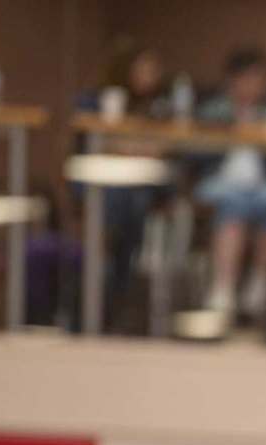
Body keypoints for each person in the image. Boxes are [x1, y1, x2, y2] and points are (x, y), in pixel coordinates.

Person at [72, 37, 172, 328]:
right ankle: (104, 279)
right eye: (146, 68)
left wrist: (131, 146)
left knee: (134, 201)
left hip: (140, 188)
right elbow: (92, 138)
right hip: (101, 184)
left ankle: (117, 283)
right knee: (113, 200)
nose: (152, 75)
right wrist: (127, 146)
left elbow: (163, 146)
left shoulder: (158, 105)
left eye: (155, 69)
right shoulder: (95, 99)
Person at [193, 45, 266, 320]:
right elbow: (193, 155)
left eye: (259, 79)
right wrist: (229, 134)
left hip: (264, 183)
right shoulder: (213, 110)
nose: (253, 85)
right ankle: (223, 289)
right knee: (232, 202)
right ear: (232, 79)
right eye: (247, 78)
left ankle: (259, 287)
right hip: (221, 181)